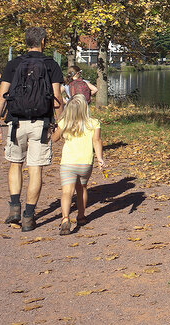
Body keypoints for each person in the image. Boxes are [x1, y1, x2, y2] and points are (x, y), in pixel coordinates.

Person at [0, 27, 64, 232]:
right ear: (42, 41)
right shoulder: (51, 65)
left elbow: (1, 95)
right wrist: (61, 125)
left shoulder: (14, 64)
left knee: (15, 163)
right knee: (35, 169)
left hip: (15, 123)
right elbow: (57, 101)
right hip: (41, 125)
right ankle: (29, 217)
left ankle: (14, 208)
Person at [51, 95, 105, 235]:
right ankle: (81, 216)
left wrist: (53, 131)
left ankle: (65, 218)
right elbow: (97, 141)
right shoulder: (93, 122)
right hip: (85, 162)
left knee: (67, 192)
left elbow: (54, 139)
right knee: (82, 189)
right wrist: (100, 158)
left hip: (68, 163)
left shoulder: (64, 122)